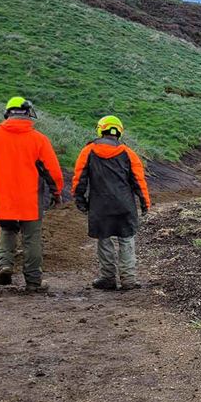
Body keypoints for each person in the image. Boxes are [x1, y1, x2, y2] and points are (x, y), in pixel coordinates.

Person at [0, 97, 63, 293]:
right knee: (32, 238)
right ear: (28, 113)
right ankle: (33, 281)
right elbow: (52, 171)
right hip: (30, 198)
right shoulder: (39, 139)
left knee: (7, 230)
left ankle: (5, 265)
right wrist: (56, 192)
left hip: (3, 196)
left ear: (8, 113)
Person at [71, 115, 150, 291]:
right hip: (125, 205)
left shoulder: (88, 151)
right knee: (127, 240)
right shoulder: (129, 153)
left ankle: (107, 277)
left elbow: (79, 179)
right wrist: (145, 203)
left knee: (104, 241)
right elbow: (139, 181)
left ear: (100, 130)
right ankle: (128, 279)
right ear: (119, 132)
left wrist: (79, 200)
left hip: (100, 205)